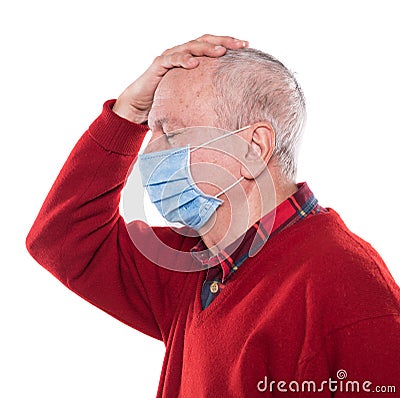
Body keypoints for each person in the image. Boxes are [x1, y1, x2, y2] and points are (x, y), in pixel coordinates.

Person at [26, 34, 400, 397]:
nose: (149, 153)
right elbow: (62, 238)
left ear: (253, 149)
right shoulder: (196, 265)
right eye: (150, 130)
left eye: (171, 134)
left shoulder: (348, 289)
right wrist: (127, 114)